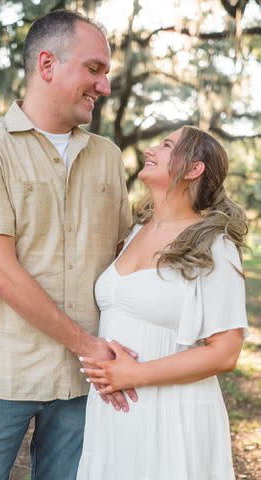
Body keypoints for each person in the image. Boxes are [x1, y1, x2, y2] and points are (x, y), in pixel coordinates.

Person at [0, 10, 136, 480]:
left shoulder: (108, 156)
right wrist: (88, 345)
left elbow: (125, 262)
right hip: (2, 374)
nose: (104, 87)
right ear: (47, 65)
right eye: (94, 69)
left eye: (106, 73)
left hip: (82, 384)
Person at [77, 126, 249, 480]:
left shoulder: (215, 243)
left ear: (192, 169)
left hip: (174, 413)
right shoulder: (136, 231)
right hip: (114, 413)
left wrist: (136, 374)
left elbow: (225, 353)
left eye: (167, 145)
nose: (150, 149)